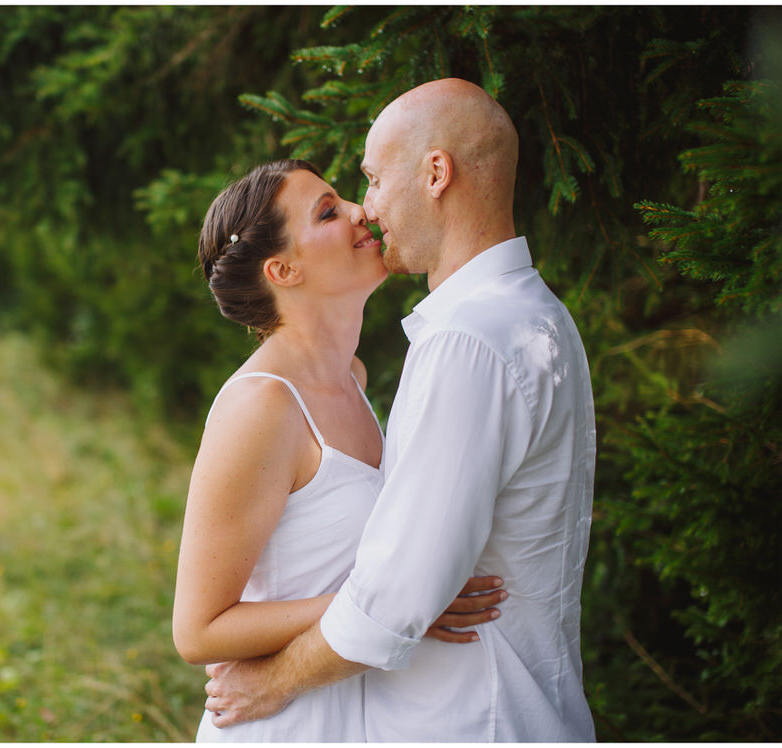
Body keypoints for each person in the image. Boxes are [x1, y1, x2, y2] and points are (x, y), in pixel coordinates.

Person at [202, 79, 597, 742]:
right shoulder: (537, 316)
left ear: (436, 173)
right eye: (337, 205)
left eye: (373, 179)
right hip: (513, 705)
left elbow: (396, 601)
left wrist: (270, 682)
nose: (368, 208)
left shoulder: (466, 342)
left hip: (475, 718)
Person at [173, 158, 507, 742]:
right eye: (329, 212)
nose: (362, 212)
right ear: (284, 269)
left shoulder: (350, 374)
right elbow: (198, 632)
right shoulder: (261, 407)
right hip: (278, 725)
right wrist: (397, 604)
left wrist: (397, 602)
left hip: (356, 713)